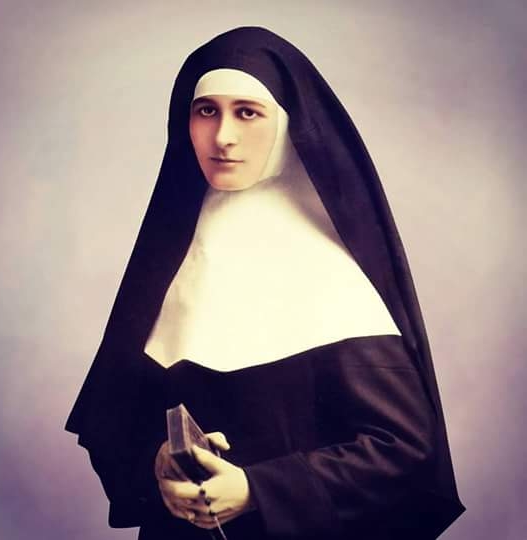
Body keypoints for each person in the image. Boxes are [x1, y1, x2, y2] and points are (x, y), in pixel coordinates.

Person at [66, 27, 465, 540]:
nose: (223, 136)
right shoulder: (170, 261)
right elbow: (117, 420)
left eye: (247, 112)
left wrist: (257, 489)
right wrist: (158, 464)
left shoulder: (330, 269)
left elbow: (404, 451)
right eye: (206, 110)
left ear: (286, 123)